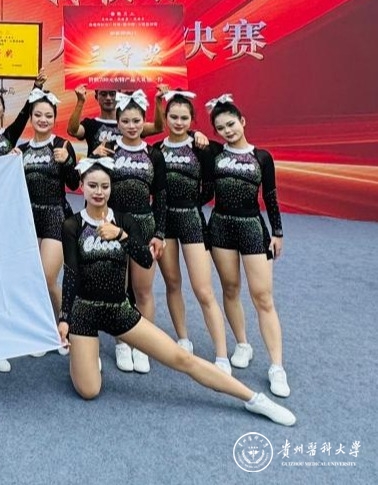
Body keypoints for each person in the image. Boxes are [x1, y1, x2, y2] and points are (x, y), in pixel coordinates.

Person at [56, 158, 295, 427]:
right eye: (92, 186)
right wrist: (65, 318)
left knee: (182, 358)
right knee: (89, 391)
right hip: (85, 311)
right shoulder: (72, 226)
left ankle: (253, 398)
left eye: (104, 186)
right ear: (82, 187)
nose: (99, 192)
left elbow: (145, 261)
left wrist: (121, 235)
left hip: (119, 310)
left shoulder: (124, 220)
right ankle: (83, 353)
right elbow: (71, 274)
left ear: (112, 188)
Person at [205, 94, 290, 398]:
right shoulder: (214, 153)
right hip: (221, 228)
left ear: (242, 121)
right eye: (220, 128)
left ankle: (276, 366)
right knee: (230, 289)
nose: (227, 131)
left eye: (231, 124)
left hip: (252, 228)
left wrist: (277, 232)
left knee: (263, 297)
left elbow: (270, 196)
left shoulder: (262, 157)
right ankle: (242, 343)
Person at [154, 91, 230, 375]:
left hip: (191, 221)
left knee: (203, 289)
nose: (178, 122)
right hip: (163, 223)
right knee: (172, 283)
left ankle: (221, 354)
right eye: (173, 117)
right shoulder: (156, 150)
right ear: (166, 118)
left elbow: (209, 187)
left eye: (184, 118)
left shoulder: (202, 147)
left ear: (192, 119)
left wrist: (191, 205)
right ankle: (183, 338)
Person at [8, 88, 78, 372]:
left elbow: (74, 184)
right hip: (28, 218)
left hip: (55, 215)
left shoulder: (62, 144)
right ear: (31, 117)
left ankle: (64, 326)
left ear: (54, 117)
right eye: (38, 115)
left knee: (47, 279)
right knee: (31, 279)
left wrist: (67, 161)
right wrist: (9, 161)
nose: (43, 120)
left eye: (48, 115)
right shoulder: (22, 150)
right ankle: (41, 330)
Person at [102, 90, 167, 374]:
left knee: (143, 290)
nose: (131, 126)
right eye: (126, 121)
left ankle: (143, 345)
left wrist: (159, 233)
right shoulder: (108, 149)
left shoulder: (154, 154)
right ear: (117, 122)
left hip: (144, 225)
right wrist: (95, 156)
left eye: (136, 120)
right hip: (115, 224)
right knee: (118, 288)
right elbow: (93, 185)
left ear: (144, 121)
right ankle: (122, 343)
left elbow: (161, 197)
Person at [67, 84, 166, 157]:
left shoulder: (131, 124)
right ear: (96, 97)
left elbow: (158, 128)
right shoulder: (90, 124)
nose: (108, 98)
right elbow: (73, 131)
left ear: (119, 96)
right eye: (103, 94)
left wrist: (158, 101)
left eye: (112, 94)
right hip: (99, 176)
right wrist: (80, 101)